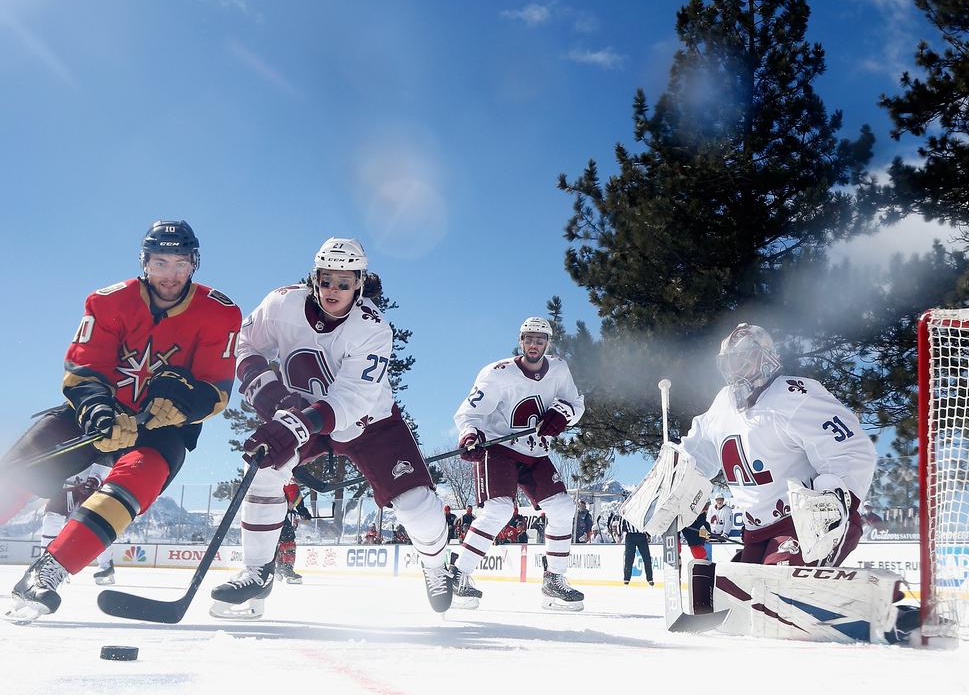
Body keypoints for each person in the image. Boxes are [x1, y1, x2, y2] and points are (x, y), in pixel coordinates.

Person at [3, 220, 241, 622]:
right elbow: (84, 369)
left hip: (161, 429)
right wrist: (100, 412)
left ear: (193, 264)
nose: (170, 275)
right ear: (145, 262)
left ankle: (47, 574)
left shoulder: (220, 312)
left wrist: (183, 405)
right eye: (160, 263)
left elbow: (215, 387)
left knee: (137, 480)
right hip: (96, 415)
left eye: (180, 264)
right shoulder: (107, 301)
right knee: (21, 468)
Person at [209, 237, 453, 619]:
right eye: (326, 280)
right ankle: (257, 573)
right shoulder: (280, 304)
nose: (333, 291)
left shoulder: (372, 328)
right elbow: (245, 345)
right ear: (314, 278)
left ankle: (437, 564)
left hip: (369, 422)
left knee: (416, 507)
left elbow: (350, 399)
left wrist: (297, 424)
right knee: (262, 468)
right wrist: (273, 400)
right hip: (300, 412)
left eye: (344, 282)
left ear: (358, 284)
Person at [680, 323, 876, 566]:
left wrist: (833, 507)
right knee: (736, 595)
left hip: (801, 525)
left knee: (775, 595)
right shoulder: (723, 403)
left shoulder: (794, 395)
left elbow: (852, 449)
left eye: (743, 361)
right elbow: (699, 451)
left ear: (764, 357)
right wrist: (674, 482)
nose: (735, 371)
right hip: (754, 532)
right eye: (729, 363)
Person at [449, 316, 586, 610]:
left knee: (563, 508)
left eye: (540, 339)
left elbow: (576, 404)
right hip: (499, 448)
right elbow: (468, 414)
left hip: (535, 452)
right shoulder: (497, 374)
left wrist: (562, 414)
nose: (533, 344)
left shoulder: (559, 369)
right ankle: (458, 574)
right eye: (528, 338)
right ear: (520, 341)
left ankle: (554, 581)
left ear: (548, 343)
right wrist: (469, 436)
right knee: (499, 509)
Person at [38, 465, 119, 585]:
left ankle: (106, 564)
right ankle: (44, 565)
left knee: (91, 525)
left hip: (88, 485)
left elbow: (108, 453)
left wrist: (97, 476)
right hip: (64, 484)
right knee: (51, 519)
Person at [274, 480, 312, 584]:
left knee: (279, 542)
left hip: (270, 517)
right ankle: (286, 570)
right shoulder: (293, 488)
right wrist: (305, 514)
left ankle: (278, 568)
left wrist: (304, 514)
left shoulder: (276, 482)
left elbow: (300, 507)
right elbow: (300, 507)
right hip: (278, 517)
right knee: (288, 541)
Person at [620, 515, 654, 586]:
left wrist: (649, 534)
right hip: (630, 535)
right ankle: (626, 578)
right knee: (629, 558)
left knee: (647, 558)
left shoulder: (642, 510)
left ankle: (650, 578)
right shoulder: (627, 511)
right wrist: (619, 533)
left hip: (641, 535)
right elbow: (621, 522)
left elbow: (648, 522)